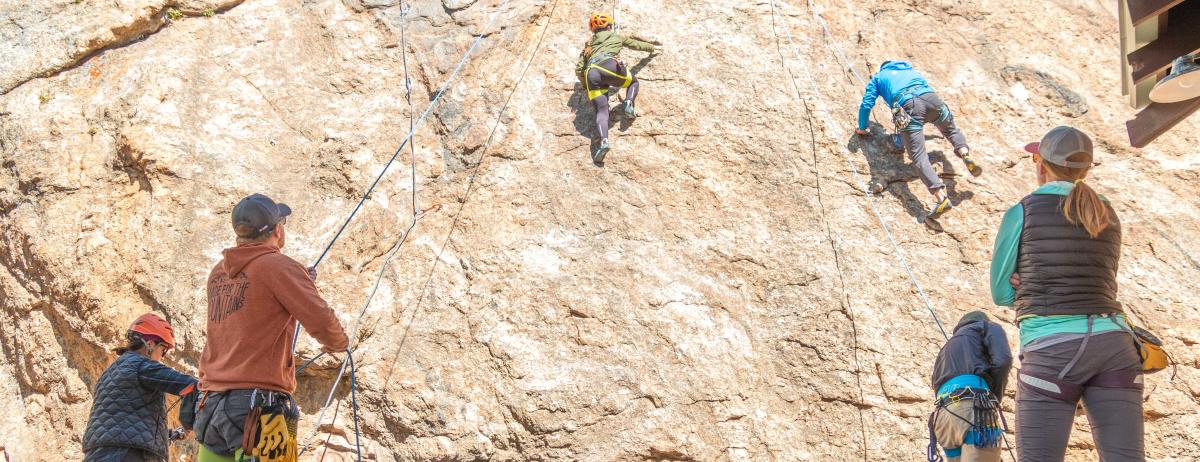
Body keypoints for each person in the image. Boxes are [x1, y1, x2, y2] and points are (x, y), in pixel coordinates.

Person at [990, 126, 1143, 461]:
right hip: (1114, 344)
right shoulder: (1106, 211)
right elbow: (1097, 282)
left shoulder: (1024, 210)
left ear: (1041, 164)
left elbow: (1001, 292)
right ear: (1085, 170)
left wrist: (1031, 287)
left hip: (1053, 349)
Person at [194, 193, 349, 462]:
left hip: (210, 404)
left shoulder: (218, 273)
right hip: (258, 406)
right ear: (277, 229)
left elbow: (252, 305)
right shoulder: (278, 267)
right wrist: (338, 343)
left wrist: (296, 278)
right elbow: (322, 321)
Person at [854, 61, 982, 219]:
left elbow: (867, 104)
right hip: (933, 100)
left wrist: (862, 126)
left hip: (910, 104)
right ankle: (964, 152)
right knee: (950, 130)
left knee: (919, 156)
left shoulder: (878, 78)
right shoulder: (910, 71)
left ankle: (940, 197)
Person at [82, 313, 198, 462]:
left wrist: (169, 434)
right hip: (126, 455)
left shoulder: (111, 371)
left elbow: (122, 419)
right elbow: (190, 385)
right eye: (163, 349)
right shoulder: (141, 365)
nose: (162, 356)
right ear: (150, 344)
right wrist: (189, 423)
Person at [575, 12, 660, 164]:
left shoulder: (587, 46)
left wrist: (586, 86)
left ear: (593, 30)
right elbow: (636, 44)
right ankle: (628, 103)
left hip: (592, 74)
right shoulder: (616, 36)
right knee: (633, 82)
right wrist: (652, 48)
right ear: (609, 25)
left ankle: (604, 141)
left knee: (601, 111)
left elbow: (579, 69)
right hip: (610, 66)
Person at [927, 311, 1013, 462]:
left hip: (944, 418)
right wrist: (995, 399)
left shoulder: (945, 349)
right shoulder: (986, 327)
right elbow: (1003, 360)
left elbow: (936, 383)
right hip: (975, 411)